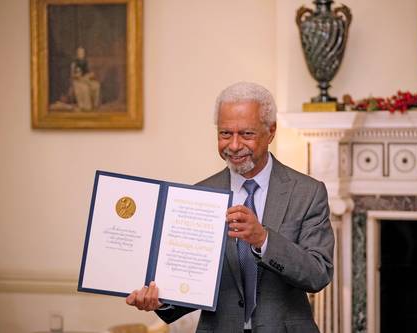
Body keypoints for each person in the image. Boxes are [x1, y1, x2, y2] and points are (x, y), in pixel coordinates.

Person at [126, 82, 334, 333]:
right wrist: (161, 301)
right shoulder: (198, 196)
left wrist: (264, 239)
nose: (234, 145)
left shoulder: (307, 192)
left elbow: (318, 274)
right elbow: (190, 284)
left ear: (271, 131)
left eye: (246, 134)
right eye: (225, 134)